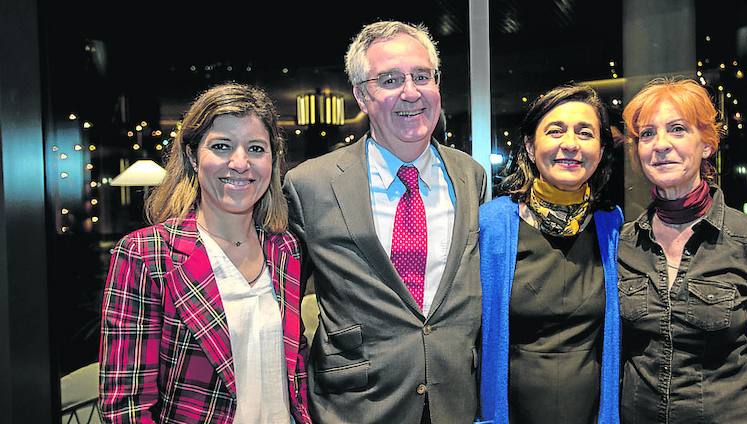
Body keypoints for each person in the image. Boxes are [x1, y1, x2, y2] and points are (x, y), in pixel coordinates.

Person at [282, 21, 487, 423]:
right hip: (354, 407)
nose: (410, 92)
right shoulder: (311, 185)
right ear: (362, 95)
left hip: (456, 402)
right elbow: (283, 306)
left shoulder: (471, 176)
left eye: (422, 76)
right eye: (390, 79)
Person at [99, 83, 311, 423]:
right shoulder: (145, 255)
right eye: (222, 146)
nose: (240, 163)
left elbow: (295, 372)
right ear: (192, 157)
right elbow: (125, 408)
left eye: (256, 148)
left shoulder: (284, 249)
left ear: (272, 161)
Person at [617, 78, 747, 423]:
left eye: (677, 129)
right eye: (648, 134)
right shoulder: (623, 243)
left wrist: (729, 360)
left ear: (707, 144)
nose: (660, 145)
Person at [478, 84, 622, 424]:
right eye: (555, 131)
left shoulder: (612, 226)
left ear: (601, 149)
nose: (569, 144)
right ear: (530, 145)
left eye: (585, 133)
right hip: (509, 415)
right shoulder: (491, 225)